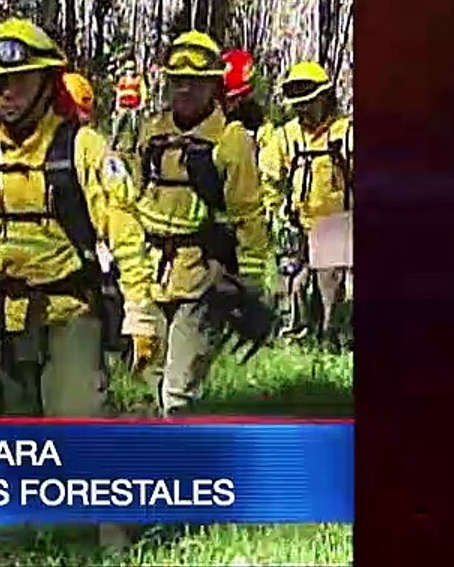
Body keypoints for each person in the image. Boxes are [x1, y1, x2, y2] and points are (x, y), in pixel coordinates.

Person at [0, 17, 158, 419]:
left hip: (69, 315)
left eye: (19, 80)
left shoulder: (83, 149)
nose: (6, 92)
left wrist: (140, 315)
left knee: (77, 426)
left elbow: (125, 235)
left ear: (47, 83)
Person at [121, 30, 272, 417]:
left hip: (204, 275)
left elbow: (247, 214)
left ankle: (183, 448)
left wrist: (250, 283)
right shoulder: (152, 132)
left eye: (195, 82)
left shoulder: (230, 140)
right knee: (147, 375)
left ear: (213, 86)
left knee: (178, 391)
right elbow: (131, 197)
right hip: (153, 273)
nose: (185, 90)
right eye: (177, 81)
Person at [261, 61, 353, 350]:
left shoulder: (345, 133)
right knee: (293, 284)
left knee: (329, 287)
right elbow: (269, 177)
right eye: (298, 104)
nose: (303, 109)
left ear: (324, 98)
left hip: (334, 223)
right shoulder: (285, 136)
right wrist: (274, 212)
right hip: (296, 222)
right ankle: (296, 337)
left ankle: (330, 339)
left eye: (309, 102)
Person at [111, 63, 144, 154]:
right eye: (128, 69)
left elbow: (142, 92)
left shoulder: (138, 80)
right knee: (118, 125)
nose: (129, 71)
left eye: (131, 69)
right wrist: (116, 106)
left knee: (134, 126)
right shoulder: (122, 80)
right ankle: (114, 142)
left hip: (134, 106)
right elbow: (118, 93)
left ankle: (133, 145)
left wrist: (141, 104)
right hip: (123, 106)